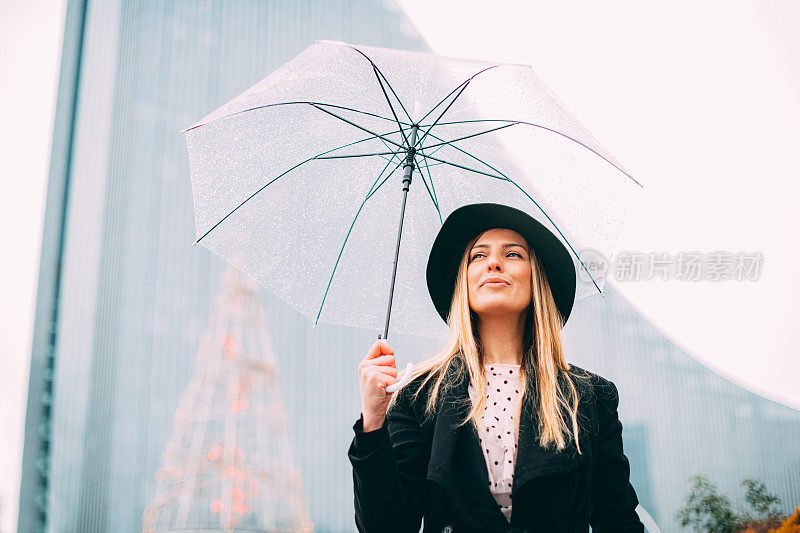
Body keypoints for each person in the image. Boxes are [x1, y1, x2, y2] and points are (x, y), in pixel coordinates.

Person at [348, 203, 645, 533]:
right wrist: (373, 421)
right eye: (478, 256)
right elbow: (386, 526)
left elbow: (617, 520)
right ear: (465, 281)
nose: (493, 262)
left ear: (537, 280)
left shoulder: (588, 395)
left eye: (513, 254)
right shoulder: (419, 395)